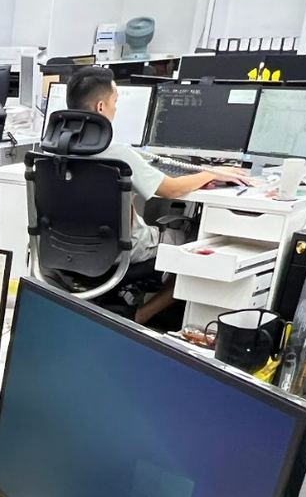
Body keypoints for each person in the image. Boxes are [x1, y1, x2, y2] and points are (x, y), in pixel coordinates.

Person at [65, 66, 248, 324]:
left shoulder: (50, 151)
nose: (116, 109)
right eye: (115, 102)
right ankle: (141, 315)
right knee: (196, 244)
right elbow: (171, 189)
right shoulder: (117, 154)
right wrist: (211, 173)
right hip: (121, 251)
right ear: (101, 107)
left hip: (64, 248)